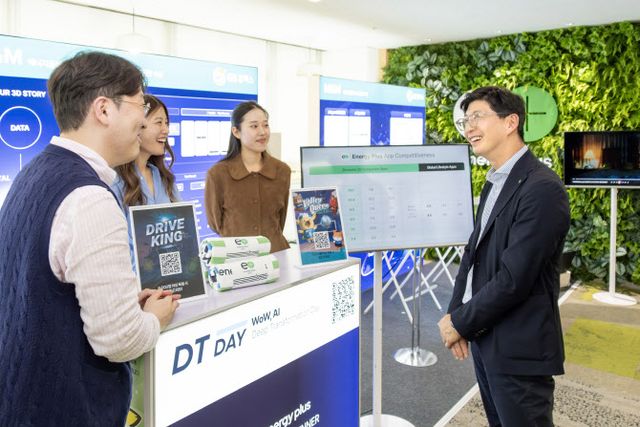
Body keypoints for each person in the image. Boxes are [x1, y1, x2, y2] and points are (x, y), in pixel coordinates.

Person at [0, 51, 179, 425]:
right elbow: (120, 341)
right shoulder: (89, 198)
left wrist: (122, 302)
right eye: (141, 105)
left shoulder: (34, 172)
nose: (144, 120)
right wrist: (153, 318)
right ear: (104, 109)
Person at [438, 86, 570, 426]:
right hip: (488, 337)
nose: (468, 127)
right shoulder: (495, 181)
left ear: (511, 122)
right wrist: (455, 313)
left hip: (519, 348)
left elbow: (515, 279)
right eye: (466, 120)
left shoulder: (542, 188)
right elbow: (474, 253)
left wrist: (461, 322)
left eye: (477, 117)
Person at [205, 101, 291, 252]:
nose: (262, 132)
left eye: (265, 125)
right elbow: (215, 224)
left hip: (276, 256)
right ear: (236, 132)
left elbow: (280, 221)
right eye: (254, 126)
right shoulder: (217, 174)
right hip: (236, 258)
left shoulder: (282, 171)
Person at [112, 94, 181, 259]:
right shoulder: (114, 181)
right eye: (159, 122)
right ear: (139, 124)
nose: (166, 130)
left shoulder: (165, 178)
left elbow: (182, 233)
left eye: (167, 123)